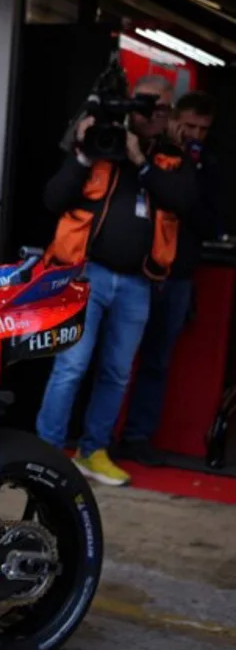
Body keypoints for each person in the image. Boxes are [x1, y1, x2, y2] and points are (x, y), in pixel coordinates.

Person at [36, 74, 196, 486]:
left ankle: (93, 451)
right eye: (149, 108)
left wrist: (141, 160)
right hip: (86, 276)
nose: (155, 117)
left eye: (163, 109)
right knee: (71, 366)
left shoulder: (171, 158)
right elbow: (54, 198)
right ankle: (46, 453)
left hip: (137, 283)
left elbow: (184, 202)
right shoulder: (100, 147)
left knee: (116, 373)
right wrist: (85, 155)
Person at [116, 90, 219, 467]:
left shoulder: (206, 164)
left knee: (157, 361)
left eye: (202, 129)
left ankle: (137, 436)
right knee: (117, 359)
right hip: (138, 268)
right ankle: (97, 438)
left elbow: (206, 217)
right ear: (175, 118)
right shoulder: (150, 151)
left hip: (178, 275)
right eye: (188, 124)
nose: (194, 134)